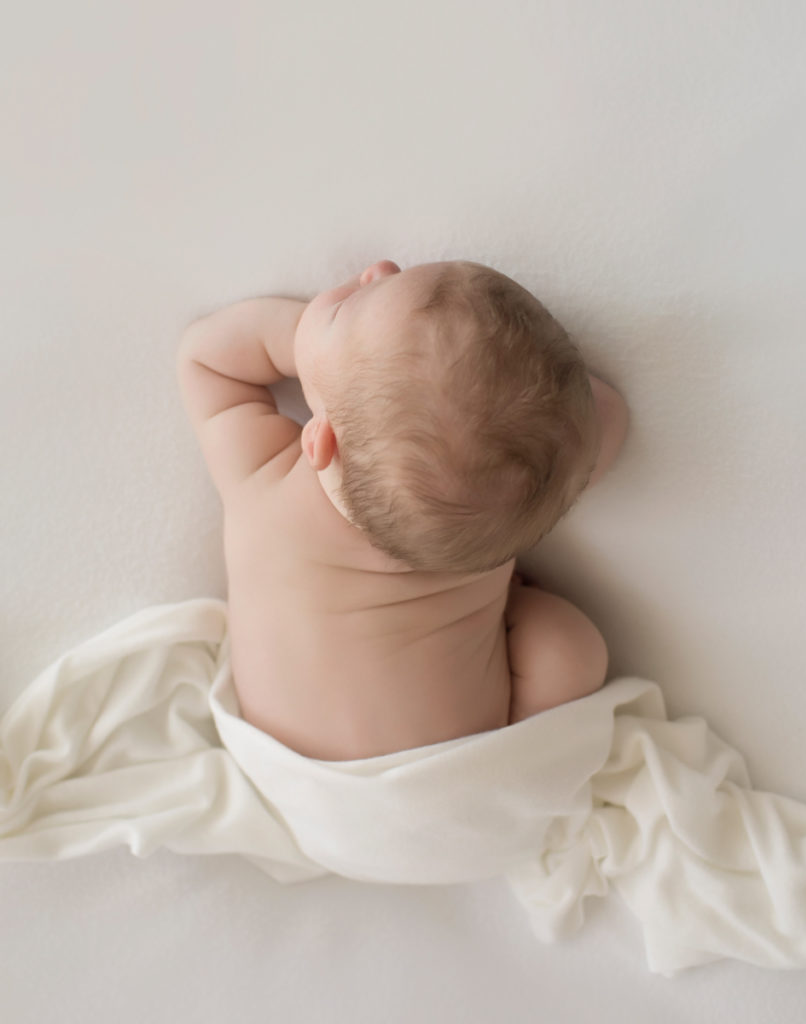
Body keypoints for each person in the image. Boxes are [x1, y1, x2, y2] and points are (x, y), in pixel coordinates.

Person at [177, 259, 630, 760]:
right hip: (455, 764)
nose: (379, 268)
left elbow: (204, 358)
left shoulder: (266, 484)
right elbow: (607, 415)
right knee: (571, 653)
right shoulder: (497, 519)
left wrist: (305, 339)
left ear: (320, 440)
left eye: (347, 306)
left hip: (282, 768)